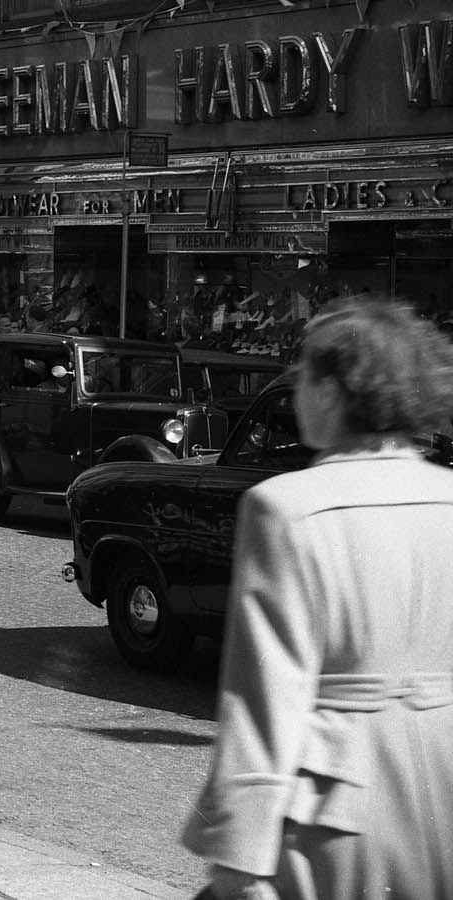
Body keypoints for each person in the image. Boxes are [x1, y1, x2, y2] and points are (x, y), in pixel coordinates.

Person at [183, 297, 453, 900]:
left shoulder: (288, 507)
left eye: (304, 373)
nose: (297, 389)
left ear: (333, 391)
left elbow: (265, 697)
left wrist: (240, 859)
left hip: (340, 806)